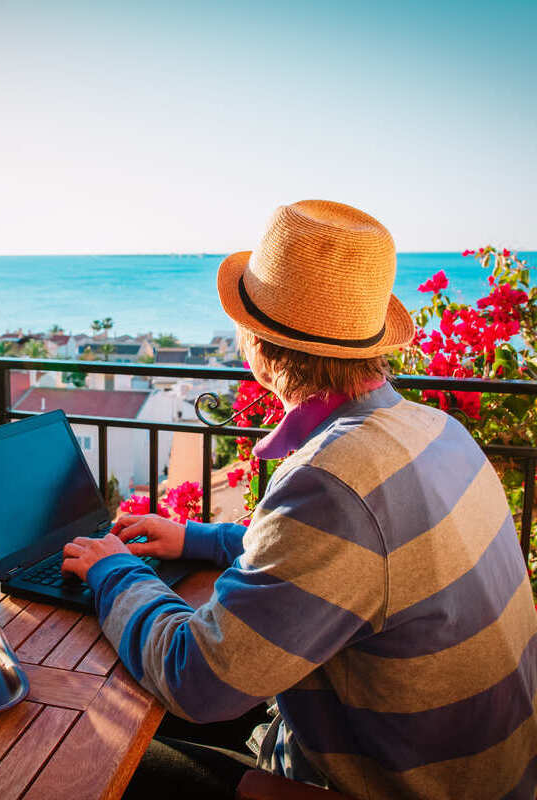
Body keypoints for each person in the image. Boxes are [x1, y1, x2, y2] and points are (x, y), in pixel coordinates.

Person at [62, 200, 537, 799]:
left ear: (258, 346)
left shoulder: (333, 482)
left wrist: (114, 573)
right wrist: (198, 539)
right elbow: (353, 561)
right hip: (492, 775)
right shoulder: (434, 430)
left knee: (109, 748)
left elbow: (198, 680)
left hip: (402, 786)